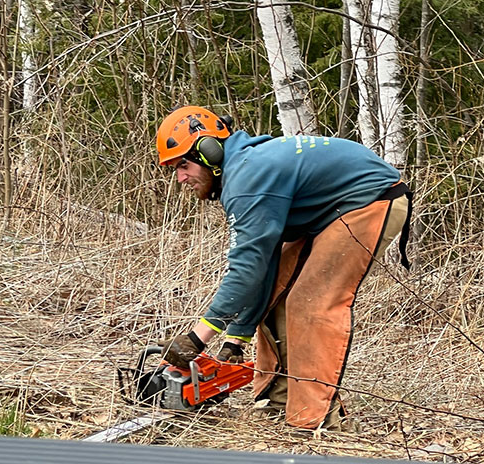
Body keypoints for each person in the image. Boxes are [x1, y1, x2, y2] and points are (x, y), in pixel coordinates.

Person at [155, 105, 411, 431]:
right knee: (279, 292)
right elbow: (263, 267)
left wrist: (197, 337)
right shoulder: (245, 168)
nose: (180, 178)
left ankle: (317, 424)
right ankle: (277, 403)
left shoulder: (248, 176)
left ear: (208, 152)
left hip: (370, 200)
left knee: (311, 303)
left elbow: (246, 268)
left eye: (182, 165)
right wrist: (236, 337)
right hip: (333, 211)